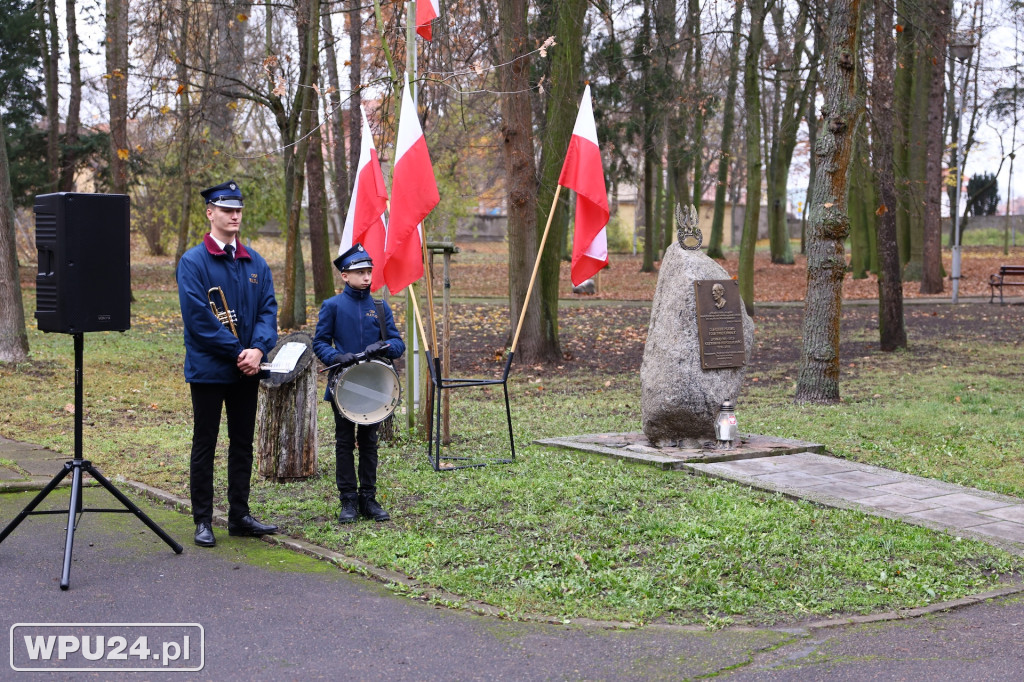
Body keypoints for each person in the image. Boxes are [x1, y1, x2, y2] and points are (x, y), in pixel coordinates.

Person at [176, 180, 279, 547]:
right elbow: (198, 319)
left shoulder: (255, 261)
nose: (234, 215)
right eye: (226, 210)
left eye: (238, 210)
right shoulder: (193, 261)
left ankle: (239, 515)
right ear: (210, 213)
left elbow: (268, 310)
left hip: (247, 369)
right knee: (205, 442)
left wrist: (259, 349)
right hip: (209, 370)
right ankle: (203, 520)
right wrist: (239, 351)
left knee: (242, 443)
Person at [313, 243, 405, 523]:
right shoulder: (332, 306)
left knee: (369, 442)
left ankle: (368, 498)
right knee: (344, 442)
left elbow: (398, 344)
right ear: (344, 275)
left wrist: (384, 347)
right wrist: (336, 355)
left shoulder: (379, 306)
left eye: (369, 271)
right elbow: (319, 342)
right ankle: (348, 501)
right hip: (343, 386)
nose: (367, 277)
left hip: (375, 388)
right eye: (360, 272)